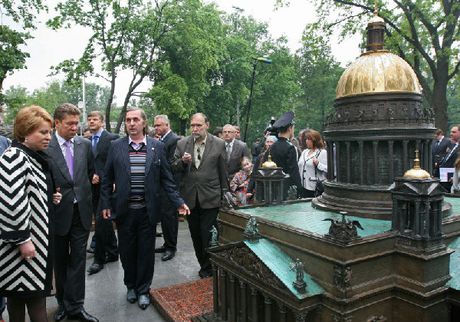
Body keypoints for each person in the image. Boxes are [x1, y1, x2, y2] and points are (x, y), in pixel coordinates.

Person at [100, 107, 189, 310]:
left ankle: (143, 290)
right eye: (128, 120)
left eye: (135, 120)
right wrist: (105, 203)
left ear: (143, 123)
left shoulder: (157, 147)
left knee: (146, 253)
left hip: (148, 211)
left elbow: (166, 179)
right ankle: (130, 286)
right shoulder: (116, 146)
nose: (131, 123)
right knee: (128, 251)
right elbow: (107, 178)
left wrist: (178, 201)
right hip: (125, 211)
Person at [0, 105, 62, 322]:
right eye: (43, 132)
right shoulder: (14, 156)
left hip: (32, 244)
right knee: (32, 302)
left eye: (50, 132)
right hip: (24, 247)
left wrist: (48, 198)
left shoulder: (30, 155)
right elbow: (11, 202)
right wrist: (22, 239)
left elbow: (28, 193)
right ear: (25, 131)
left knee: (20, 300)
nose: (49, 137)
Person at [46, 103, 98, 322]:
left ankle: (76, 306)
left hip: (81, 212)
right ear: (57, 123)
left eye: (77, 123)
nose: (75, 127)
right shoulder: (46, 147)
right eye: (70, 124)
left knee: (78, 260)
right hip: (57, 213)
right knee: (60, 261)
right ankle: (62, 305)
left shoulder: (84, 144)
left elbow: (90, 172)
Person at [172, 113, 228, 278]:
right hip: (190, 198)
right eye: (193, 126)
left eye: (199, 125)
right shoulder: (182, 144)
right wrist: (183, 161)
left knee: (209, 234)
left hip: (211, 197)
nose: (195, 129)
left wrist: (225, 195)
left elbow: (223, 172)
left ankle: (211, 267)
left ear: (207, 125)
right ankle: (204, 265)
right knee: (195, 234)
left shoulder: (218, 144)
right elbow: (173, 166)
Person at [86, 111, 119, 276]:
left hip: (108, 187)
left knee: (100, 221)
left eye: (95, 119)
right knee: (104, 221)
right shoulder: (87, 141)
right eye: (89, 119)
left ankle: (98, 259)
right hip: (93, 188)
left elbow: (116, 162)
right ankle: (113, 252)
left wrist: (113, 181)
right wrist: (90, 175)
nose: (91, 121)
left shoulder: (112, 138)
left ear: (102, 122)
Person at [153, 114, 181, 262]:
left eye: (158, 125)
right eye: (155, 125)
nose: (156, 128)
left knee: (170, 217)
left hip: (169, 186)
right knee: (164, 217)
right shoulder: (161, 140)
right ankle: (167, 243)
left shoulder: (174, 140)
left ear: (167, 125)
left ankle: (171, 247)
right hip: (160, 185)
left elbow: (172, 165)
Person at [270, 111, 302, 198]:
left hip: (274, 184)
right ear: (290, 129)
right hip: (287, 186)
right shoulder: (291, 147)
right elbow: (294, 170)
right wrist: (300, 188)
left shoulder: (272, 146)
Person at [298, 129, 327, 198]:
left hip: (314, 188)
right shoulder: (304, 152)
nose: (306, 141)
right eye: (306, 139)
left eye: (309, 139)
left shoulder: (322, 152)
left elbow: (328, 169)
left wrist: (318, 164)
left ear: (315, 140)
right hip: (302, 187)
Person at [439, 125, 460, 192]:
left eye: (454, 132)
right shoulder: (453, 145)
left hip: (454, 182)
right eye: (451, 132)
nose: (451, 134)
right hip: (446, 180)